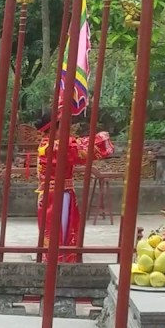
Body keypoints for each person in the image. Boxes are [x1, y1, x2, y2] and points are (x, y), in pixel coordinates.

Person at [34, 110, 113, 263]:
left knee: (58, 230)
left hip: (56, 194)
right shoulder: (55, 146)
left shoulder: (48, 143)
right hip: (57, 196)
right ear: (54, 129)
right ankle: (59, 262)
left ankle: (58, 260)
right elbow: (80, 149)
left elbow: (76, 144)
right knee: (60, 232)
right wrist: (103, 137)